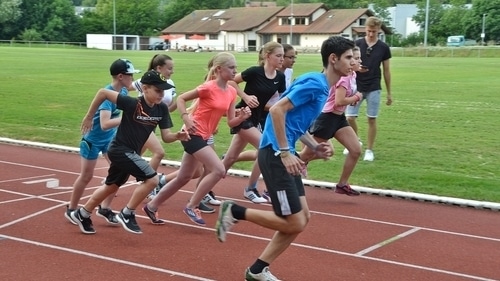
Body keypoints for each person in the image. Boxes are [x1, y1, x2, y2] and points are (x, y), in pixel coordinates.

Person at [215, 36, 355, 281]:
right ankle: (235, 211)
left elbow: (294, 123)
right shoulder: (315, 83)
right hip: (275, 154)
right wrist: (285, 152)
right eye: (349, 57)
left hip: (283, 153)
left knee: (302, 218)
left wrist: (315, 146)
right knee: (293, 222)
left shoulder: (323, 86)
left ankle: (258, 270)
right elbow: (277, 110)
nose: (354, 62)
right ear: (333, 59)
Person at [70, 69, 189, 235]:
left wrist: (177, 136)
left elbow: (167, 137)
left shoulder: (161, 109)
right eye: (157, 90)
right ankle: (127, 213)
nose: (161, 94)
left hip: (130, 152)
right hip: (119, 150)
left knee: (111, 187)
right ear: (145, 88)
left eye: (163, 91)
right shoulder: (132, 103)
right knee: (153, 179)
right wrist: (89, 116)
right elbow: (103, 92)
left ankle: (83, 213)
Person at [143, 52, 251, 226]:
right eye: (231, 67)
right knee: (219, 170)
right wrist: (186, 117)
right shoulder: (208, 87)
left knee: (184, 177)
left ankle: (152, 206)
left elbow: (231, 122)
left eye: (235, 68)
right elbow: (181, 98)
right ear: (218, 69)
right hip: (192, 133)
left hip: (204, 136)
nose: (235, 71)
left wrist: (242, 117)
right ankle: (192, 205)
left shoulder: (231, 92)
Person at [64, 58, 139, 225]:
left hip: (109, 141)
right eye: (130, 75)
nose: (132, 79)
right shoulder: (107, 96)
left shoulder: (123, 91)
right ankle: (71, 209)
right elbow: (105, 124)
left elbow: (140, 87)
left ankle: (105, 208)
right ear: (120, 76)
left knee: (119, 173)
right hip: (93, 141)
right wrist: (127, 119)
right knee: (86, 176)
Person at [221, 41, 286, 204]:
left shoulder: (280, 77)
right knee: (266, 148)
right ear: (267, 56)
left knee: (230, 157)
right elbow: (231, 81)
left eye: (283, 56)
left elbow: (281, 100)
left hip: (257, 118)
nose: (281, 59)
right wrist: (245, 97)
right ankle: (250, 189)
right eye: (278, 56)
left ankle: (205, 188)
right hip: (242, 116)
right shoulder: (254, 72)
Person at [300, 46, 364, 196]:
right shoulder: (344, 78)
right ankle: (277, 177)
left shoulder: (352, 75)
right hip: (327, 118)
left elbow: (343, 100)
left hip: (339, 118)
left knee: (355, 150)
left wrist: (352, 99)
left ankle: (342, 185)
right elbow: (339, 101)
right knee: (306, 154)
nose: (359, 61)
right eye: (355, 58)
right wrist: (356, 98)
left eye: (359, 57)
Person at [345, 16, 393, 161]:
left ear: (379, 30)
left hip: (374, 86)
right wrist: (357, 69)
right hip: (357, 86)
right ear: (365, 29)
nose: (371, 34)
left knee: (371, 119)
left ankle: (369, 150)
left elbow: (386, 70)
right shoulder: (357, 44)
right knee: (349, 117)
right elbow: (349, 63)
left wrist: (389, 93)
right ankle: (356, 141)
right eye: (369, 31)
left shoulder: (383, 48)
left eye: (374, 31)